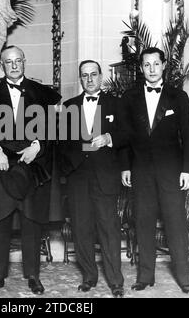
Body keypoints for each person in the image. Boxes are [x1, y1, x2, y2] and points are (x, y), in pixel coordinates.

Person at [0, 45, 61, 294]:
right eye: (9, 62)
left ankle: (33, 275)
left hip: (32, 166)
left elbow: (53, 128)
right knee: (1, 220)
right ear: (2, 65)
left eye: (19, 60)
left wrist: (37, 147)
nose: (15, 65)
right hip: (1, 167)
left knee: (31, 220)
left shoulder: (42, 93)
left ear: (25, 62)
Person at [120, 47, 189, 294]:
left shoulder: (178, 97)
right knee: (143, 224)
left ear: (163, 65)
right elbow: (124, 137)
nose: (151, 69)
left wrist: (188, 170)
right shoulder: (129, 98)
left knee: (176, 225)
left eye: (156, 64)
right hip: (141, 172)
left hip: (171, 173)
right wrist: (125, 167)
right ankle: (145, 276)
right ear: (141, 68)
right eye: (146, 65)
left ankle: (184, 278)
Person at [59, 60, 126, 298]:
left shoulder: (116, 104)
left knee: (109, 229)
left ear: (100, 76)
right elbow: (62, 144)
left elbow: (128, 134)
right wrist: (70, 169)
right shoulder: (69, 106)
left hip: (105, 177)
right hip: (78, 179)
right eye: (84, 76)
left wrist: (108, 137)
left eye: (93, 75)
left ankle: (116, 281)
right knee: (81, 229)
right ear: (80, 79)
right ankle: (89, 276)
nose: (89, 80)